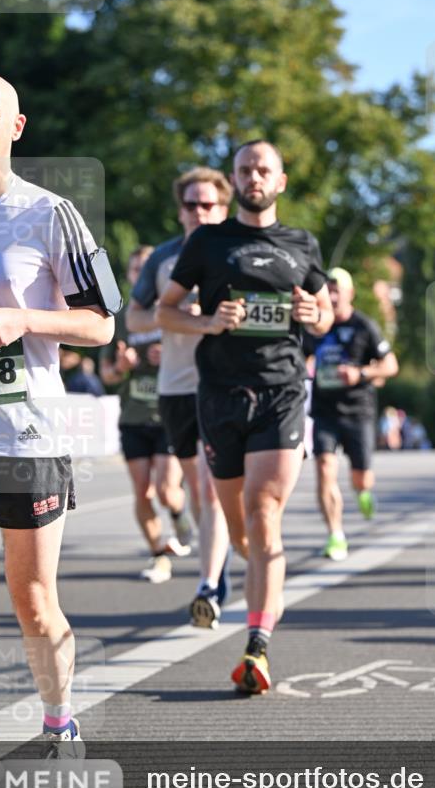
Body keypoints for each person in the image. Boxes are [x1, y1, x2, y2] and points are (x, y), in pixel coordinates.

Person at [0, 70, 120, 788]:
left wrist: (29, 322)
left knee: (34, 606)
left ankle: (60, 722)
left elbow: (102, 325)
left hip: (27, 434)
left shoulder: (51, 216)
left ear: (14, 128)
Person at [156, 140, 334, 693]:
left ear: (280, 181)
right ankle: (245, 575)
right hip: (220, 395)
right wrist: (207, 323)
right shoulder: (208, 242)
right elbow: (164, 311)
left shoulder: (301, 244)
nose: (254, 177)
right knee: (239, 529)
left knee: (264, 513)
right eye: (245, 170)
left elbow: (326, 314)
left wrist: (315, 313)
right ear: (235, 181)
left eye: (264, 170)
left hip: (281, 390)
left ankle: (257, 647)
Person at [127, 168, 233, 623]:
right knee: (195, 487)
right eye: (191, 204)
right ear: (180, 209)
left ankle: (210, 584)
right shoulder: (164, 258)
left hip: (223, 385)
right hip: (174, 386)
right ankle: (217, 562)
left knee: (211, 489)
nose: (199, 212)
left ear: (223, 208)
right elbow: (133, 319)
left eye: (208, 204)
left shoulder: (237, 252)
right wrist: (169, 315)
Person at [100, 246, 190, 584]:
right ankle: (158, 555)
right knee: (142, 492)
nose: (142, 273)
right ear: (131, 276)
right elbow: (106, 375)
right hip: (134, 417)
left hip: (169, 413)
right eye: (136, 269)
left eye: (147, 268)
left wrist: (170, 354)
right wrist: (122, 368)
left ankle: (180, 516)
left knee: (167, 490)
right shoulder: (121, 320)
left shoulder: (175, 311)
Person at [304, 267, 398, 561]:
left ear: (350, 293)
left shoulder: (363, 326)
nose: (331, 295)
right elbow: (302, 357)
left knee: (361, 479)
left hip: (358, 411)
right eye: (327, 290)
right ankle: (335, 535)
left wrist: (360, 373)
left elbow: (390, 365)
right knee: (324, 468)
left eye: (337, 290)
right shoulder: (316, 326)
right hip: (324, 411)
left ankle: (364, 493)